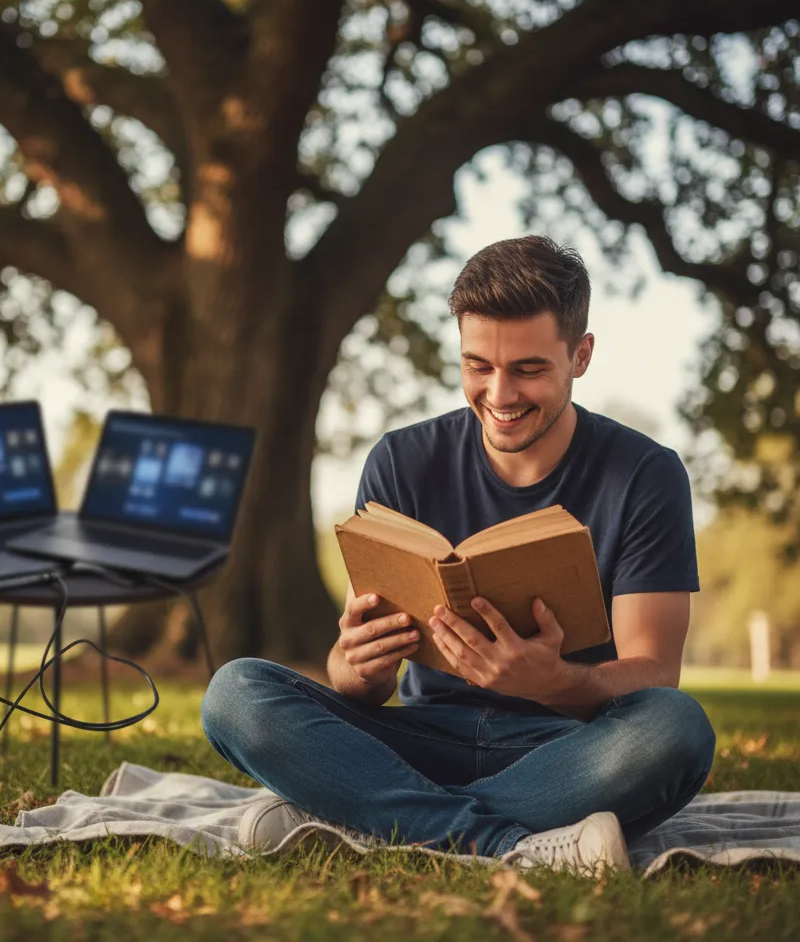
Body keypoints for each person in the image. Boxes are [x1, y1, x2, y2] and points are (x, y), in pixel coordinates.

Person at [201, 235, 716, 874]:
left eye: (528, 368)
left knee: (676, 730)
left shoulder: (645, 474)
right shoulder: (401, 461)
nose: (499, 395)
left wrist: (552, 682)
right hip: (421, 740)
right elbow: (354, 681)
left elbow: (655, 672)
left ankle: (363, 815)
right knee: (235, 692)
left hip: (568, 751)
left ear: (580, 355)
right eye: (478, 365)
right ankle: (501, 844)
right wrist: (358, 667)